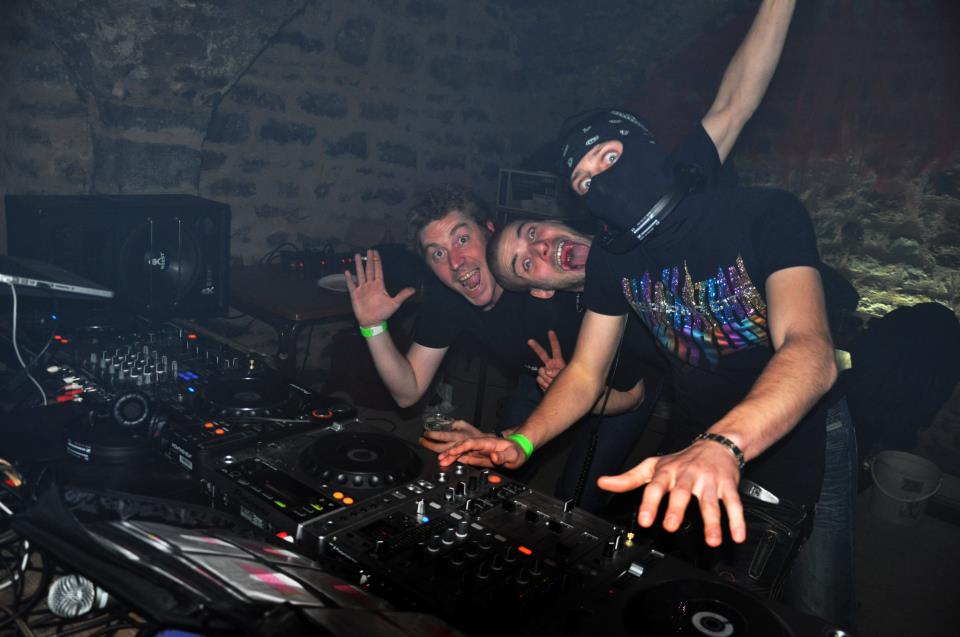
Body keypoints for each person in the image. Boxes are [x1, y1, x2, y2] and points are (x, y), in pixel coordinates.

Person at [438, 0, 855, 622]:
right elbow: (586, 373)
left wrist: (727, 443)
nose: (601, 181)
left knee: (815, 602)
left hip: (799, 426)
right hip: (697, 433)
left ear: (642, 147)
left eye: (607, 157)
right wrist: (522, 442)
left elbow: (811, 353)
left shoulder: (760, 211)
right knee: (692, 596)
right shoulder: (611, 263)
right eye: (584, 182)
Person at [343, 185, 656, 512]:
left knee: (579, 496)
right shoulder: (447, 298)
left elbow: (632, 394)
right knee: (498, 477)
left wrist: (569, 391)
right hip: (538, 378)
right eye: (437, 254)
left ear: (490, 230)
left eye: (462, 239)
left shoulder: (551, 281)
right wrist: (373, 327)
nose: (455, 261)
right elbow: (408, 392)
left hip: (620, 381)